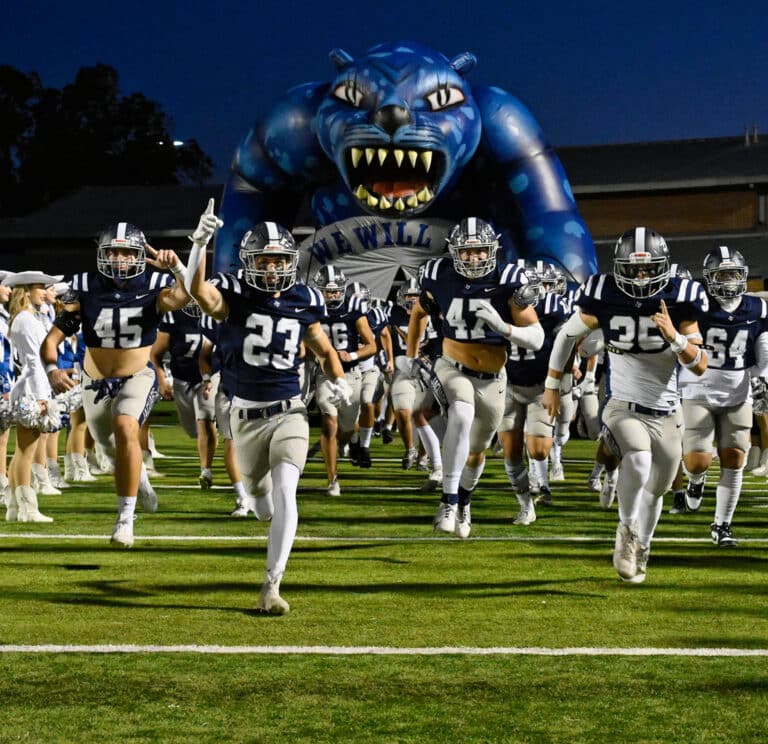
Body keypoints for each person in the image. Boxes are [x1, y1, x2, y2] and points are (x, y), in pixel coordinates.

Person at [189, 217, 349, 614]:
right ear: (249, 262)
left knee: (286, 491)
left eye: (279, 260)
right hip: (244, 416)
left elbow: (324, 349)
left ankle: (272, 584)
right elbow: (198, 293)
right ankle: (265, 528)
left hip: (289, 411)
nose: (273, 268)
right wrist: (200, 245)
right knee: (262, 501)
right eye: (265, 260)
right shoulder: (235, 293)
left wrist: (338, 378)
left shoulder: (303, 299)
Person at [543, 227, 708, 584]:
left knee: (658, 488)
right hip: (623, 405)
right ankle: (626, 531)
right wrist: (553, 385)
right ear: (619, 267)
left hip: (668, 411)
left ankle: (642, 545)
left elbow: (699, 364)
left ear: (664, 266)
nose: (641, 276)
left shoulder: (681, 298)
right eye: (633, 269)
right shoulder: (603, 293)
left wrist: (675, 338)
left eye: (649, 269)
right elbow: (567, 335)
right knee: (638, 456)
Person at [42, 220, 191, 547]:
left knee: (126, 427)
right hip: (94, 380)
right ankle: (142, 483)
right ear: (102, 255)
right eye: (113, 252)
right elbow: (52, 340)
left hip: (138, 374)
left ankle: (125, 519)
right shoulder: (84, 286)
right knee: (110, 451)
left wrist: (178, 268)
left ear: (139, 255)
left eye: (126, 252)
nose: (120, 260)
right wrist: (53, 369)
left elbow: (184, 297)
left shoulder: (155, 282)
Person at [404, 217, 543, 538]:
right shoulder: (438, 275)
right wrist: (411, 357)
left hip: (493, 378)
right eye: (466, 252)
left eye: (480, 251)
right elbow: (419, 313)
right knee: (461, 414)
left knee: (477, 450)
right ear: (455, 252)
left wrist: (503, 327)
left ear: (492, 250)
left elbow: (535, 338)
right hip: (452, 366)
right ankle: (448, 500)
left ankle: (464, 502)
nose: (474, 258)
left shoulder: (509, 280)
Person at [679, 247, 768, 545]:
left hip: (737, 392)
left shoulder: (756, 309)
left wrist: (761, 381)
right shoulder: (696, 306)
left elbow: (763, 352)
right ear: (709, 278)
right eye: (722, 275)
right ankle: (695, 482)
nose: (728, 281)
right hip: (697, 390)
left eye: (734, 274)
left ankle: (722, 525)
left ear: (743, 276)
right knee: (697, 461)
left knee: (734, 457)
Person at [3, 270, 63, 522]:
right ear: (26, 290)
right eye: (41, 287)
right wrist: (41, 395)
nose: (45, 291)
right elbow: (33, 363)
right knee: (26, 451)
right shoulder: (26, 320)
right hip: (32, 389)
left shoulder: (24, 317)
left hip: (29, 387)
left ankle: (16, 507)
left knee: (22, 450)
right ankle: (27, 508)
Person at [312, 265, 376, 496]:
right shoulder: (312, 308)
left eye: (336, 291)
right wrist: (319, 356)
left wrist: (353, 355)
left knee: (347, 427)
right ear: (319, 291)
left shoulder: (353, 307)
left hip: (351, 374)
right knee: (329, 422)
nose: (332, 296)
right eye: (328, 292)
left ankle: (345, 443)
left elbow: (372, 345)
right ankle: (333, 479)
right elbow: (305, 343)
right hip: (326, 375)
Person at [150, 300, 218, 489]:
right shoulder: (173, 317)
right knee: (193, 429)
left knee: (205, 420)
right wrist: (162, 379)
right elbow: (155, 354)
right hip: (182, 379)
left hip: (209, 379)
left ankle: (206, 470)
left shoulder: (216, 314)